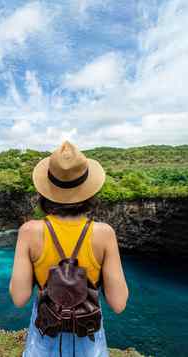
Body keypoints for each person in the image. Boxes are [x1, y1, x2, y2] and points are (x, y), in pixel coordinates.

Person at [9, 140, 129, 357]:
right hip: (88, 336)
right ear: (89, 191)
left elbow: (19, 298)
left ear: (46, 190)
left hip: (46, 334)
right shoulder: (104, 234)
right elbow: (119, 303)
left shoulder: (29, 232)